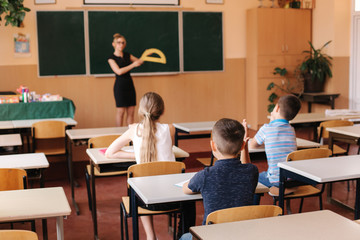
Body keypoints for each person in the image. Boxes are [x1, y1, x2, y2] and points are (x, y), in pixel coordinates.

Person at [105, 92, 183, 240]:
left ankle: (150, 236)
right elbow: (166, 148)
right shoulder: (170, 128)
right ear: (162, 111)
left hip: (144, 202)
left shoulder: (134, 130)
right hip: (172, 199)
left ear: (141, 111)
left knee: (139, 186)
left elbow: (110, 153)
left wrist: (138, 154)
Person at [180, 118, 259, 240]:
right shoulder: (252, 171)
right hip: (242, 235)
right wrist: (245, 146)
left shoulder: (205, 175)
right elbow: (247, 166)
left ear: (212, 145)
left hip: (210, 236)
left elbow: (186, 189)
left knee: (184, 237)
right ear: (242, 145)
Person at [249, 94, 301, 191]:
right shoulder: (291, 130)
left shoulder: (266, 128)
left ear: (276, 108)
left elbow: (253, 145)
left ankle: (254, 205)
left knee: (253, 179)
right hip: (292, 179)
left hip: (276, 180)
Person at [108, 33, 143, 127]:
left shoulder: (128, 55)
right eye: (119, 42)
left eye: (123, 42)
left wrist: (146, 55)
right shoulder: (111, 59)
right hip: (120, 86)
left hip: (130, 85)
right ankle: (118, 134)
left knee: (131, 111)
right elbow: (118, 72)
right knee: (121, 112)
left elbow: (139, 62)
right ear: (114, 44)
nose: (121, 44)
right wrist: (133, 65)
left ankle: (130, 134)